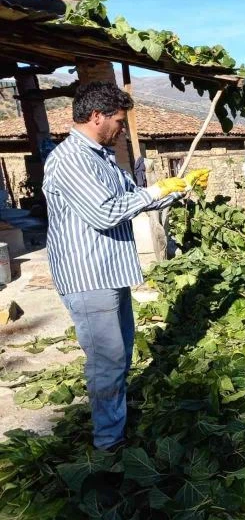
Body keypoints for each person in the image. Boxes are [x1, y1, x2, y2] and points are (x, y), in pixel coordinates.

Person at [42, 81, 208, 450]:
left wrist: (180, 188)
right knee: (107, 359)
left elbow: (132, 199)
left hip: (110, 271)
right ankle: (108, 443)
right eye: (118, 121)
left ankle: (114, 419)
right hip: (88, 276)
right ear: (96, 116)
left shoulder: (101, 157)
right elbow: (105, 213)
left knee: (120, 353)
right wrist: (157, 190)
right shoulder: (71, 159)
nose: (121, 129)